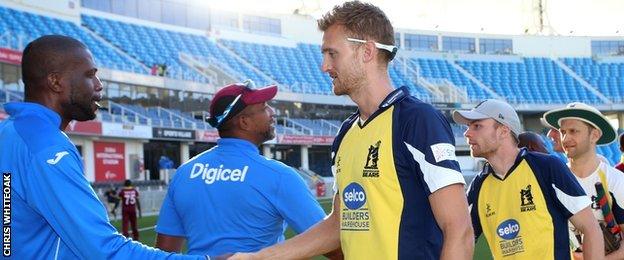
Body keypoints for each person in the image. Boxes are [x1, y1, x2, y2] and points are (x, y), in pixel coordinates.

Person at [231, 2, 473, 259]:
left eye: (332, 54)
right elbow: (337, 225)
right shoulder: (345, 134)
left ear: (366, 51)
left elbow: (459, 230)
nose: (324, 66)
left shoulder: (417, 120)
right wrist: (258, 257)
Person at [0, 35, 205, 259]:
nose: (99, 85)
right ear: (56, 82)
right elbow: (103, 252)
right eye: (90, 75)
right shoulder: (48, 149)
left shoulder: (10, 131)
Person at [155, 82, 328, 257]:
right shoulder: (279, 176)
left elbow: (164, 252)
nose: (272, 112)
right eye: (264, 107)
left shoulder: (184, 173)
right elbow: (331, 244)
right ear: (244, 122)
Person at [454, 99, 603, 259]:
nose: (467, 133)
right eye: (468, 126)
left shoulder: (547, 167)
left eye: (477, 126)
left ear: (504, 131)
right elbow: (460, 240)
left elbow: (590, 228)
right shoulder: (478, 185)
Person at [544, 102, 624, 258]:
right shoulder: (552, 181)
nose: (565, 138)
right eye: (563, 132)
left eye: (573, 131)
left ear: (594, 135)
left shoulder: (616, 180)